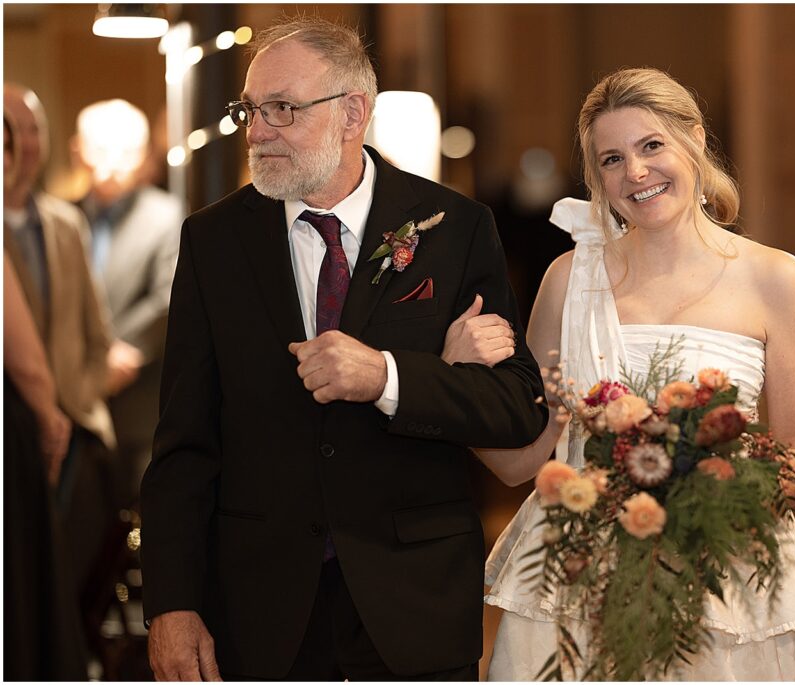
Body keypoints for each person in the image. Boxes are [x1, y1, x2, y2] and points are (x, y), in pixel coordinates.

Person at [140, 16, 547, 681]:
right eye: (250, 109)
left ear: (353, 111)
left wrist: (386, 376)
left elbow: (515, 411)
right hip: (259, 610)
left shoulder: (453, 228)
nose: (258, 130)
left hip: (412, 600)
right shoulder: (215, 241)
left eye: (283, 109)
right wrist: (173, 603)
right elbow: (183, 444)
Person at [475, 68, 795, 680]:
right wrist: (459, 378)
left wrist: (694, 508)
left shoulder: (776, 279)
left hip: (728, 570)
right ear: (597, 179)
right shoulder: (569, 281)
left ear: (695, 139)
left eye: (652, 146)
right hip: (579, 579)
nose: (636, 173)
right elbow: (526, 459)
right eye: (612, 160)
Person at [3, 83, 117, 592]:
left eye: (33, 129)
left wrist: (78, 397)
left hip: (76, 420)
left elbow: (99, 337)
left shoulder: (67, 224)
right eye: (11, 131)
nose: (24, 143)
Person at [75, 98, 183, 508]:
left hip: (139, 393)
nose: (112, 161)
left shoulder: (166, 215)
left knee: (141, 510)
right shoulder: (63, 218)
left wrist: (120, 351)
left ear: (142, 156)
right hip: (77, 393)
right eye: (101, 148)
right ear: (77, 150)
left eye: (124, 150)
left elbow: (167, 295)